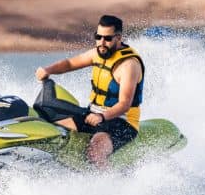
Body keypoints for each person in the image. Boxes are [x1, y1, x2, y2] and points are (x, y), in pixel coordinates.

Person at [35, 14, 145, 168]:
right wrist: (48, 70)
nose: (101, 42)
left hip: (122, 122)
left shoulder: (129, 65)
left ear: (118, 37)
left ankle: (112, 186)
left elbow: (124, 104)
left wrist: (101, 116)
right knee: (48, 124)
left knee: (95, 152)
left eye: (107, 38)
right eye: (98, 37)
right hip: (92, 115)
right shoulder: (97, 53)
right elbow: (69, 63)